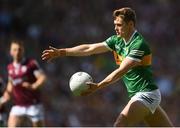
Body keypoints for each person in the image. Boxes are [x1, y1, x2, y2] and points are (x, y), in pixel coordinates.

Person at [41, 7, 173, 127]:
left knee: (120, 123)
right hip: (140, 95)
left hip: (146, 94)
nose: (116, 28)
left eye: (119, 25)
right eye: (115, 25)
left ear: (131, 24)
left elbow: (122, 70)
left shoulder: (139, 44)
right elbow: (90, 48)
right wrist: (62, 52)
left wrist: (99, 85)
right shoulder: (116, 41)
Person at [0, 39, 47, 127]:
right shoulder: (10, 67)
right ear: (10, 52)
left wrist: (34, 86)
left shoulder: (31, 64)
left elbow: (42, 77)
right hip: (18, 105)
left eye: (19, 49)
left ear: (23, 51)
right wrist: (4, 98)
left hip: (33, 104)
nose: (17, 52)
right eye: (15, 49)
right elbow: (10, 85)